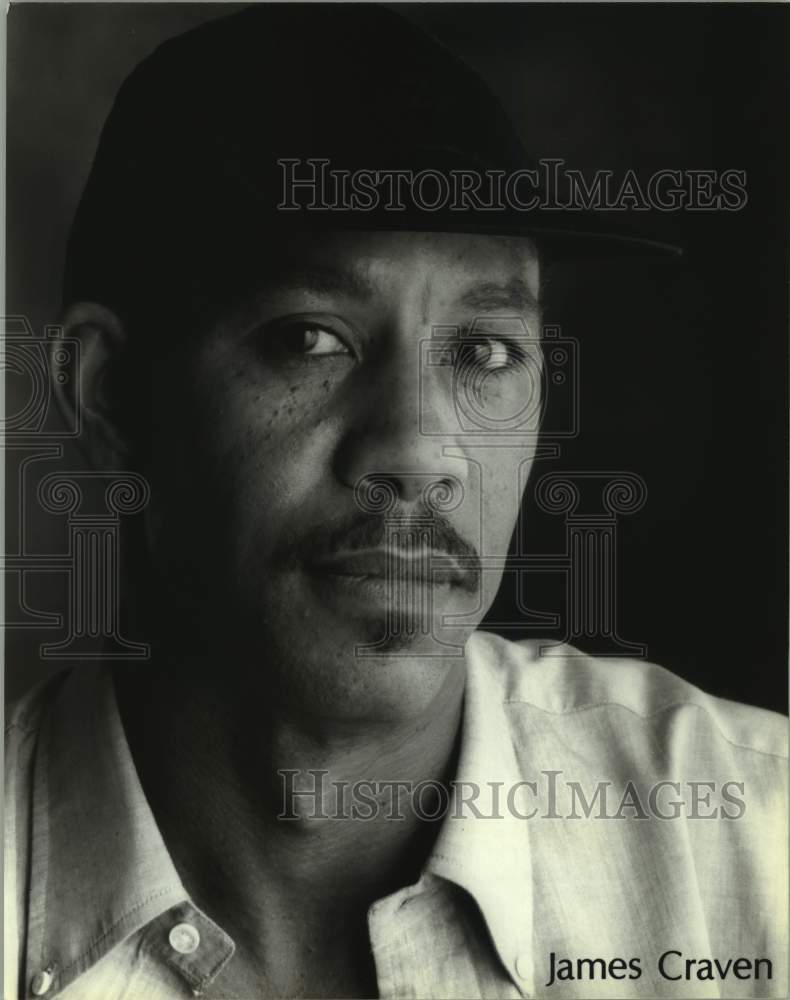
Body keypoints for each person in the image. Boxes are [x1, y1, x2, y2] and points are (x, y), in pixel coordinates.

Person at [5, 6, 786, 999]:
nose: (422, 450)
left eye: (484, 351)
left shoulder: (752, 848)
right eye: (309, 339)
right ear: (111, 400)